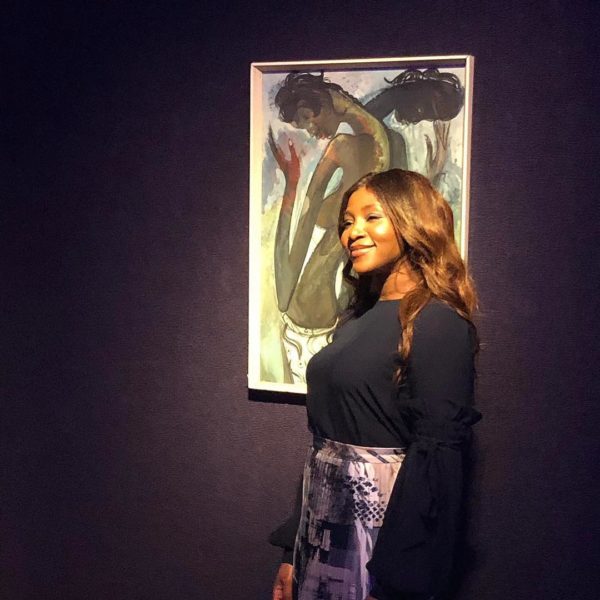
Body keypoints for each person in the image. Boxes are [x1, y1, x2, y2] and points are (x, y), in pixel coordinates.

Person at [270, 169, 481, 600]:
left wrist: (399, 582)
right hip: (320, 530)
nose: (353, 232)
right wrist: (293, 551)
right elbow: (321, 446)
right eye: (347, 222)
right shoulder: (354, 321)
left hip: (382, 540)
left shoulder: (437, 323)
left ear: (412, 222)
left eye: (371, 217)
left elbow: (437, 465)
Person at [268, 71, 462, 383]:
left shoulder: (372, 145)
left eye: (306, 117)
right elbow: (308, 221)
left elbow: (402, 216)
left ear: (322, 100)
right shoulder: (358, 145)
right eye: (349, 221)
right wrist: (292, 186)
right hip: (312, 316)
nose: (311, 130)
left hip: (339, 316)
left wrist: (430, 181)